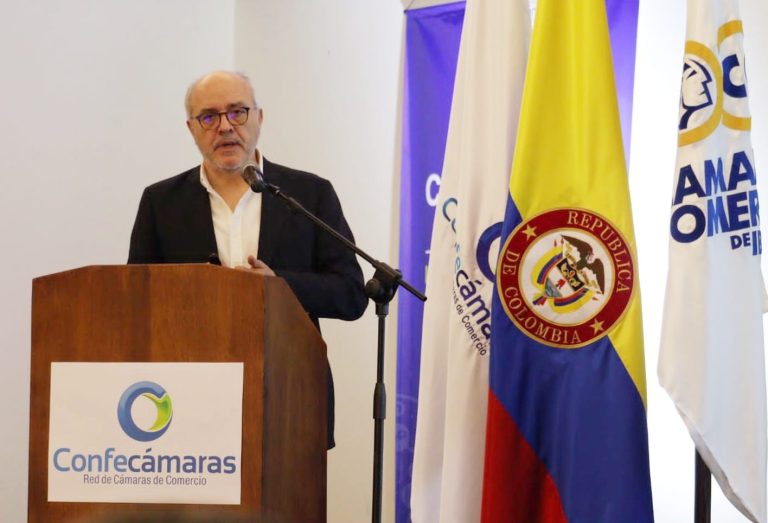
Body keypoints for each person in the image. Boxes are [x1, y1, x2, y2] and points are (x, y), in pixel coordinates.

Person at [128, 70, 368, 449]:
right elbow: (137, 302)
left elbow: (351, 295)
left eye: (237, 112)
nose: (225, 127)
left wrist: (279, 287)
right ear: (191, 128)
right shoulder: (161, 203)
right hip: (190, 400)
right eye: (209, 117)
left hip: (290, 394)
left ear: (259, 117)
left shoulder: (308, 194)